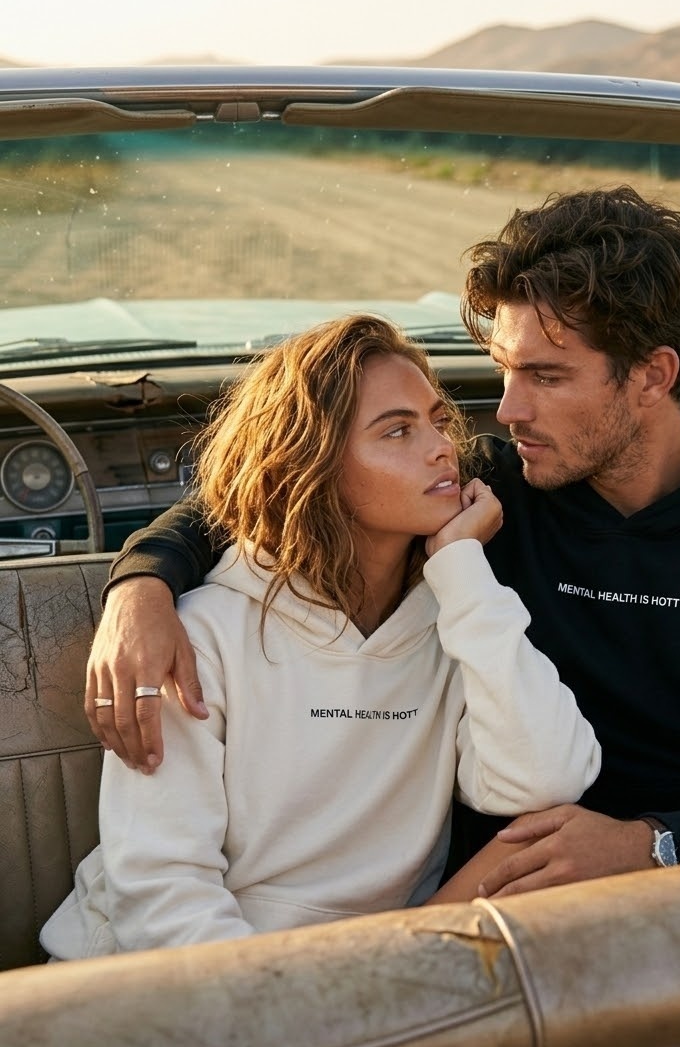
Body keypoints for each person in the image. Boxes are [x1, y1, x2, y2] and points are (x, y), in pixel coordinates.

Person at [84, 186, 680, 900]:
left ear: (653, 375)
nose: (506, 411)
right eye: (502, 369)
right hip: (484, 903)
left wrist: (649, 847)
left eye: (548, 377)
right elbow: (288, 484)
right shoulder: (493, 489)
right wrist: (143, 585)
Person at [40, 314, 600, 958]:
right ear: (312, 466)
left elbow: (544, 782)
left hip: (359, 982)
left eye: (438, 422)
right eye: (397, 430)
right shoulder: (201, 634)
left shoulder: (459, 620)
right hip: (159, 984)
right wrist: (289, 1016)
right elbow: (162, 889)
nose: (443, 447)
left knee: (543, 848)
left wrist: (464, 572)